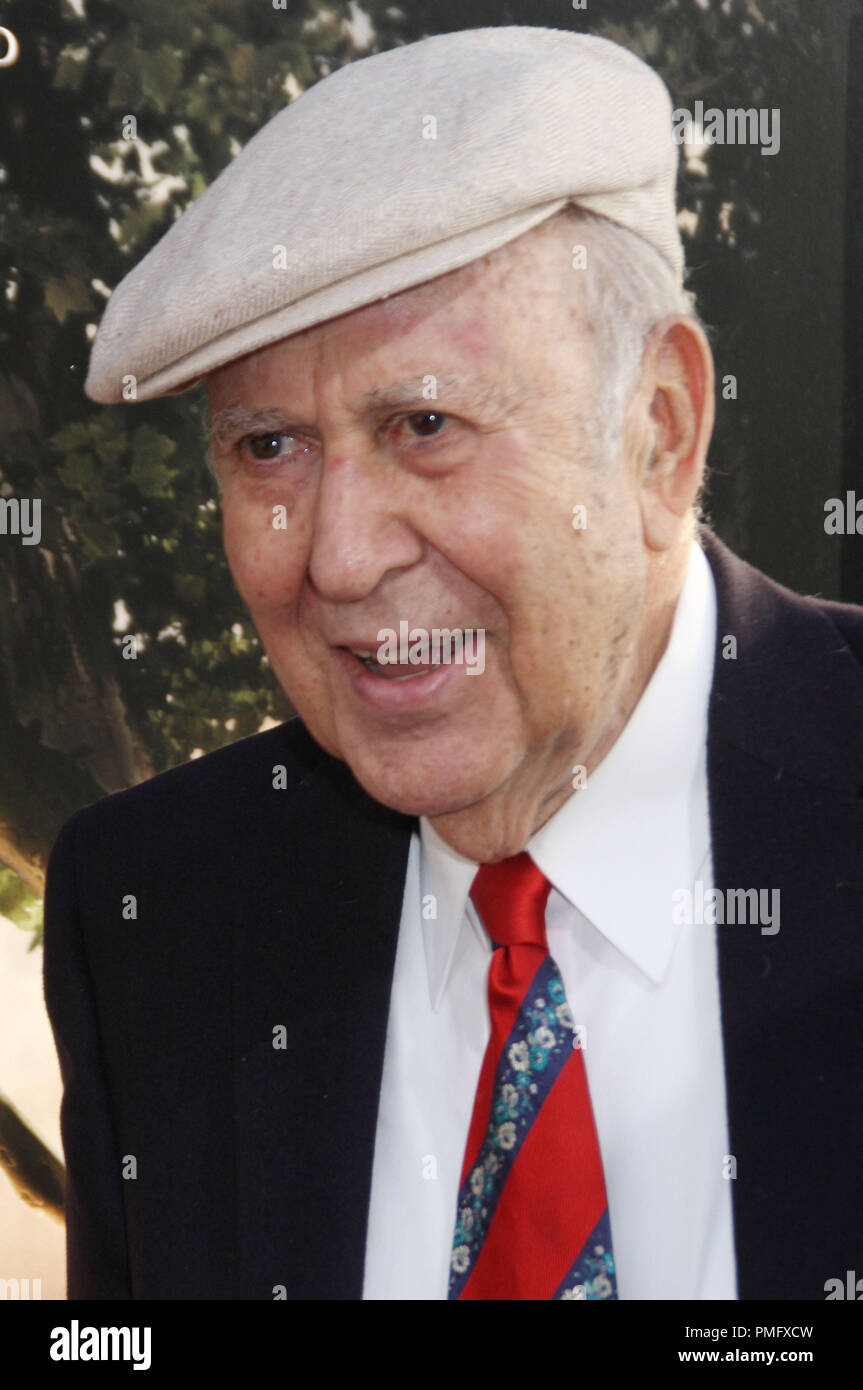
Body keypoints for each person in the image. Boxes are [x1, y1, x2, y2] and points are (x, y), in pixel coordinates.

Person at [44, 25, 863, 1301]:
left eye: (423, 423)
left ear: (657, 431)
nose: (339, 557)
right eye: (269, 447)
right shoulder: (154, 916)